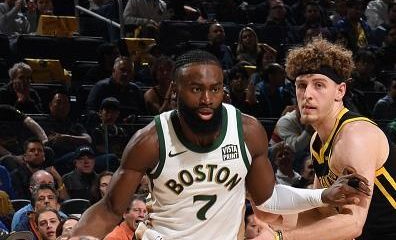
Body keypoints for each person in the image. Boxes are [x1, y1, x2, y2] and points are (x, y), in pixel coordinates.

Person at [72, 50, 370, 239]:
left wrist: (322, 196)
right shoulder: (150, 141)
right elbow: (110, 208)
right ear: (175, 91)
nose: (206, 99)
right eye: (196, 89)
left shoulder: (248, 131)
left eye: (215, 89)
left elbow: (267, 200)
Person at [257, 38, 395, 239]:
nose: (307, 95)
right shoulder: (317, 141)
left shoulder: (355, 137)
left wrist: (281, 237)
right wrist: (276, 221)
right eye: (301, 85)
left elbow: (352, 223)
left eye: (319, 85)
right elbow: (323, 212)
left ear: (340, 91)